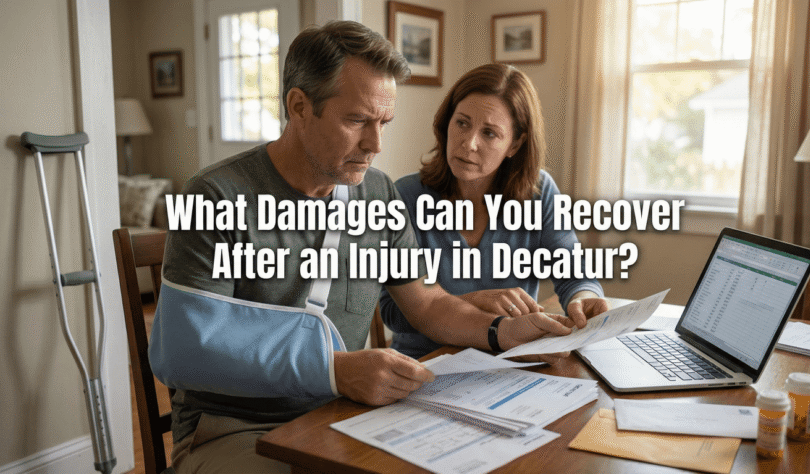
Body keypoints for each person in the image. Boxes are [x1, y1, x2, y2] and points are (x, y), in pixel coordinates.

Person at [148, 22, 584, 473]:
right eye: (357, 120)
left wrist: (501, 332)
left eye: (383, 123)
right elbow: (180, 353)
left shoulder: (376, 194)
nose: (375, 145)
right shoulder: (215, 196)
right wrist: (334, 370)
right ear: (299, 106)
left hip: (343, 415)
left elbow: (428, 303)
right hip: (235, 429)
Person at [380, 63, 610, 359]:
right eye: (462, 123)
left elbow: (574, 274)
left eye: (489, 133)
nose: (469, 143)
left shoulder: (539, 192)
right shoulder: (406, 197)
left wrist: (585, 298)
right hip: (426, 366)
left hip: (512, 363)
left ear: (515, 144)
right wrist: (474, 302)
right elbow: (392, 313)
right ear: (446, 122)